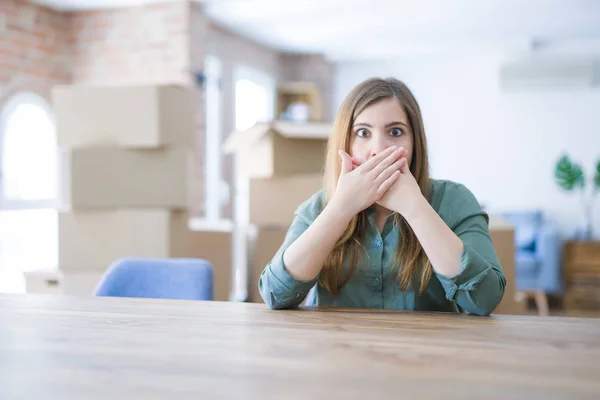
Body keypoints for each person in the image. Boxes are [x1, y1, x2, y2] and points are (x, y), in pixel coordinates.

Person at [258, 77, 506, 316]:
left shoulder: (453, 200)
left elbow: (484, 299)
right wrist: (341, 208)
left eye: (396, 132)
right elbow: (275, 294)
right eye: (363, 133)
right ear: (346, 142)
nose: (378, 150)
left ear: (414, 143)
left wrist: (415, 207)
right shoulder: (319, 207)